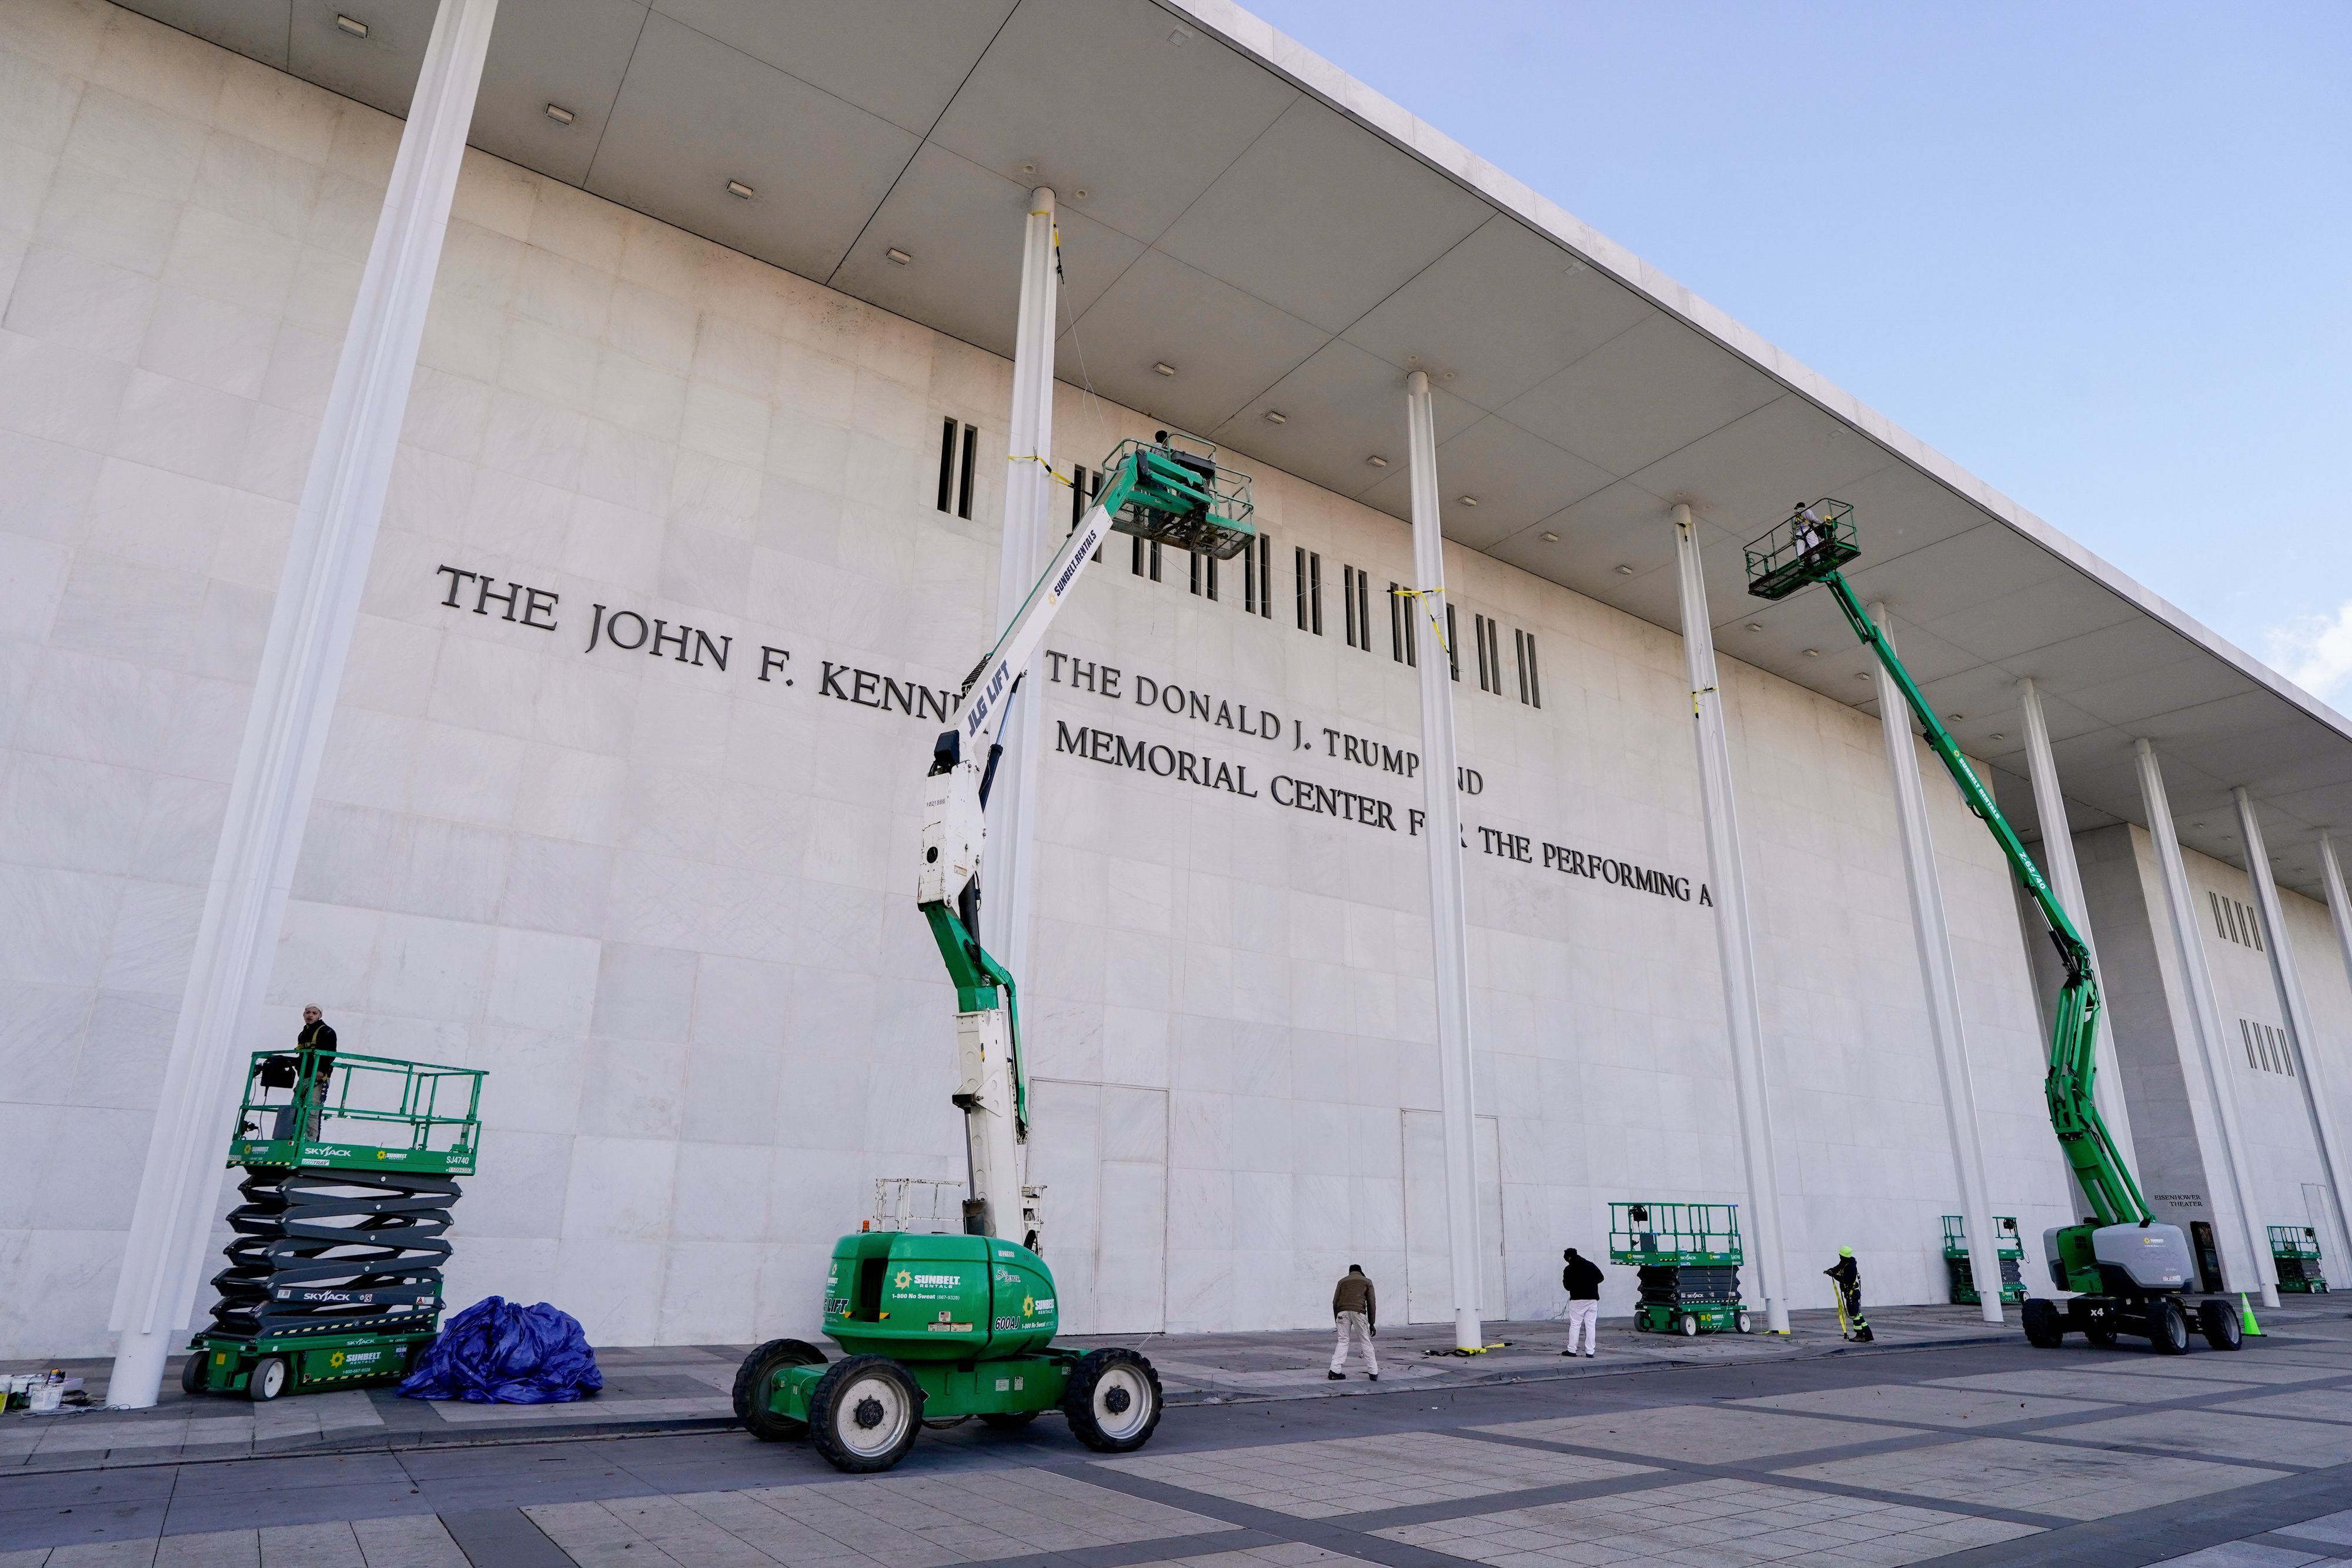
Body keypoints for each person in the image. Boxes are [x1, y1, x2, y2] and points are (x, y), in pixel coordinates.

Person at [293, 1005, 338, 1141]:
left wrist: (321, 1070)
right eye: (308, 1012)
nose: (310, 1015)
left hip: (317, 1078)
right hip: (305, 1077)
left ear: (320, 1016)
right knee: (297, 1108)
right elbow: (302, 1055)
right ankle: (297, 1139)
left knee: (312, 1111)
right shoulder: (303, 1034)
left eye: (314, 1013)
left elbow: (330, 1054)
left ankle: (310, 1143)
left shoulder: (326, 1032)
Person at [1328, 1264, 1378, 1381]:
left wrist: (1337, 1320)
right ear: (1360, 1272)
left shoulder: (1342, 1282)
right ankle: (1373, 1372)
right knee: (1365, 1341)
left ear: (1350, 1272)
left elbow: (1335, 1303)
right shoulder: (1367, 1281)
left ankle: (1334, 1371)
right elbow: (1371, 1303)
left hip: (1342, 1313)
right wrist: (1372, 1323)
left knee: (1343, 1341)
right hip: (1359, 1313)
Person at [1559, 1247, 1604, 1358]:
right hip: (1592, 1299)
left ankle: (1572, 1350)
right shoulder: (1590, 1265)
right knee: (1591, 1326)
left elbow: (1567, 1287)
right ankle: (1590, 1352)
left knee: (1575, 1325)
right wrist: (1591, 1284)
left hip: (1577, 1300)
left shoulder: (1569, 1269)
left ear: (1568, 1258)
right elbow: (1601, 1278)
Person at [1825, 1246, 1872, 1342]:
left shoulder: (1851, 1267)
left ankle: (1860, 1335)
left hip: (1852, 1293)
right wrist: (1831, 1271)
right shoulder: (1845, 1263)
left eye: (1840, 1256)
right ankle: (1868, 1335)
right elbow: (1838, 1268)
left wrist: (1833, 1275)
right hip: (1850, 1293)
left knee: (1855, 1315)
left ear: (1843, 1256)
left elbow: (1846, 1281)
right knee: (1857, 1315)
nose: (1839, 1257)